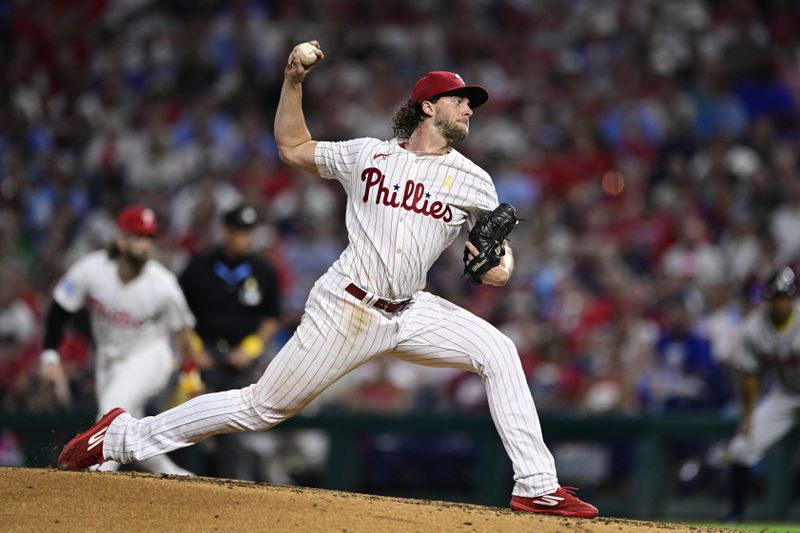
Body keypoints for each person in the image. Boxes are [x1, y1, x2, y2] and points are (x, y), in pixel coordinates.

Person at [56, 42, 598, 517]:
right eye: (461, 99)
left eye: (472, 103)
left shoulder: (475, 180)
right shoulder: (367, 156)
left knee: (499, 351)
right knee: (261, 407)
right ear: (428, 106)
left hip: (410, 310)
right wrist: (293, 81)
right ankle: (123, 437)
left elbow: (499, 267)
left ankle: (537, 487)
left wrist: (494, 265)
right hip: (348, 306)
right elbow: (293, 148)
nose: (469, 108)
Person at [41, 205, 211, 475]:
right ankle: (180, 478)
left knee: (111, 411)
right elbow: (61, 307)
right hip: (108, 361)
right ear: (121, 239)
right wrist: (50, 356)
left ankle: (97, 477)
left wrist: (191, 377)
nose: (145, 245)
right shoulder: (92, 269)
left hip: (151, 357)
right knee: (134, 436)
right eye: (138, 237)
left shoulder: (162, 284)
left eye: (149, 238)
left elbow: (183, 333)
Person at [178, 204, 281, 479]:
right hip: (201, 357)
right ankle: (181, 482)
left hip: (240, 361)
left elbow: (271, 318)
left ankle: (230, 486)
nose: (245, 238)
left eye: (249, 232)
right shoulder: (199, 266)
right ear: (225, 232)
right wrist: (194, 350)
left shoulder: (262, 270)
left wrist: (250, 349)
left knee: (233, 430)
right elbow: (178, 314)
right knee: (186, 417)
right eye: (239, 232)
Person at [725, 266, 800, 522]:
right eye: (776, 297)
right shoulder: (753, 329)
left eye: (785, 297)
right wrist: (747, 417)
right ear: (767, 299)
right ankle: (736, 515)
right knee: (740, 448)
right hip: (786, 394)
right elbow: (749, 376)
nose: (781, 303)